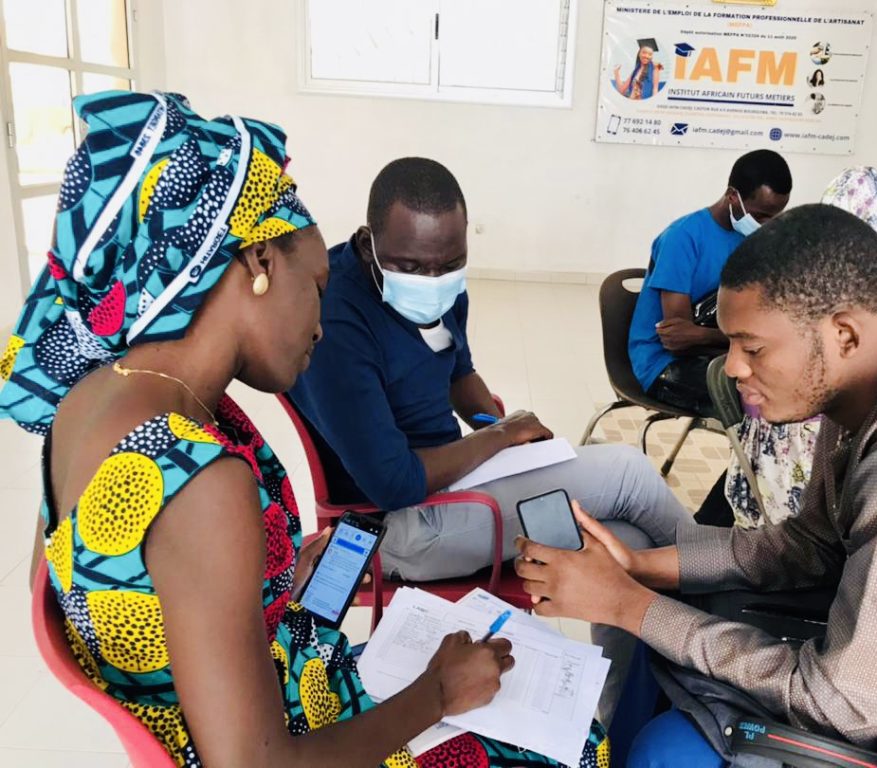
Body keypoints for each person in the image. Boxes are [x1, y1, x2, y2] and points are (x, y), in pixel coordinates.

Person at [1, 91, 606, 768]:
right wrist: (435, 693)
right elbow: (258, 765)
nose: (321, 323)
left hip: (240, 688)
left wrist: (265, 583)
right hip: (281, 731)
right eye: (317, 285)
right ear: (260, 263)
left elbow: (131, 589)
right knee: (580, 742)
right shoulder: (200, 480)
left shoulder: (87, 400)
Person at [517, 204, 877, 767]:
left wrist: (627, 605)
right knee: (660, 620)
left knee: (666, 751)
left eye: (752, 347)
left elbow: (850, 703)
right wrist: (644, 570)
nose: (732, 368)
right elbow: (811, 543)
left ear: (844, 333)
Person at [288, 156, 691, 722]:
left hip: (456, 486)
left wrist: (495, 427)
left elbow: (459, 372)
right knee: (627, 473)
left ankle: (623, 719)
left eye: (449, 263)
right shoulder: (339, 319)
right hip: (400, 525)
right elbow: (393, 481)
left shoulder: (444, 283)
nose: (433, 282)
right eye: (411, 265)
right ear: (370, 241)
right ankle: (722, 614)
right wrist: (501, 434)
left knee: (621, 541)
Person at [706, 166, 877, 529]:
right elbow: (794, 547)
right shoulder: (830, 381)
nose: (732, 367)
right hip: (774, 522)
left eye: (752, 350)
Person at [627, 149, 791, 416]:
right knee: (764, 398)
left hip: (723, 355)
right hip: (664, 366)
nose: (766, 225)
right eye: (760, 216)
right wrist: (748, 341)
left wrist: (728, 338)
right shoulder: (682, 238)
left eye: (775, 217)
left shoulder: (754, 244)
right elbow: (679, 341)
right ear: (731, 197)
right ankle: (751, 458)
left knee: (796, 384)